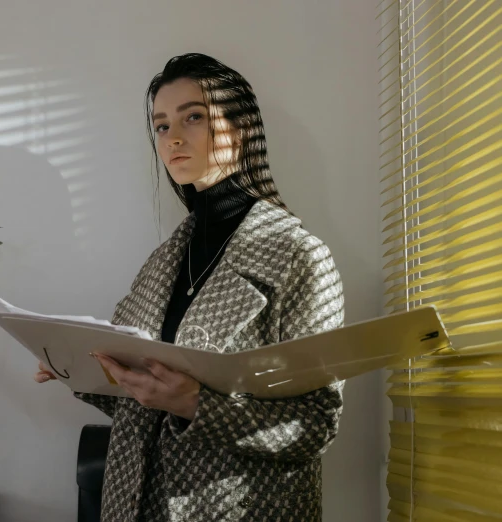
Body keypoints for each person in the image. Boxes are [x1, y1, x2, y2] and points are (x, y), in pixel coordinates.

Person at [35, 53, 345, 522]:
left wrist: (193, 403)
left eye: (193, 117)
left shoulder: (300, 256)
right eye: (161, 125)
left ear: (240, 129)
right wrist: (73, 366)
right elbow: (140, 401)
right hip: (135, 504)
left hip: (237, 507)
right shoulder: (161, 262)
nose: (173, 137)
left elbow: (314, 426)